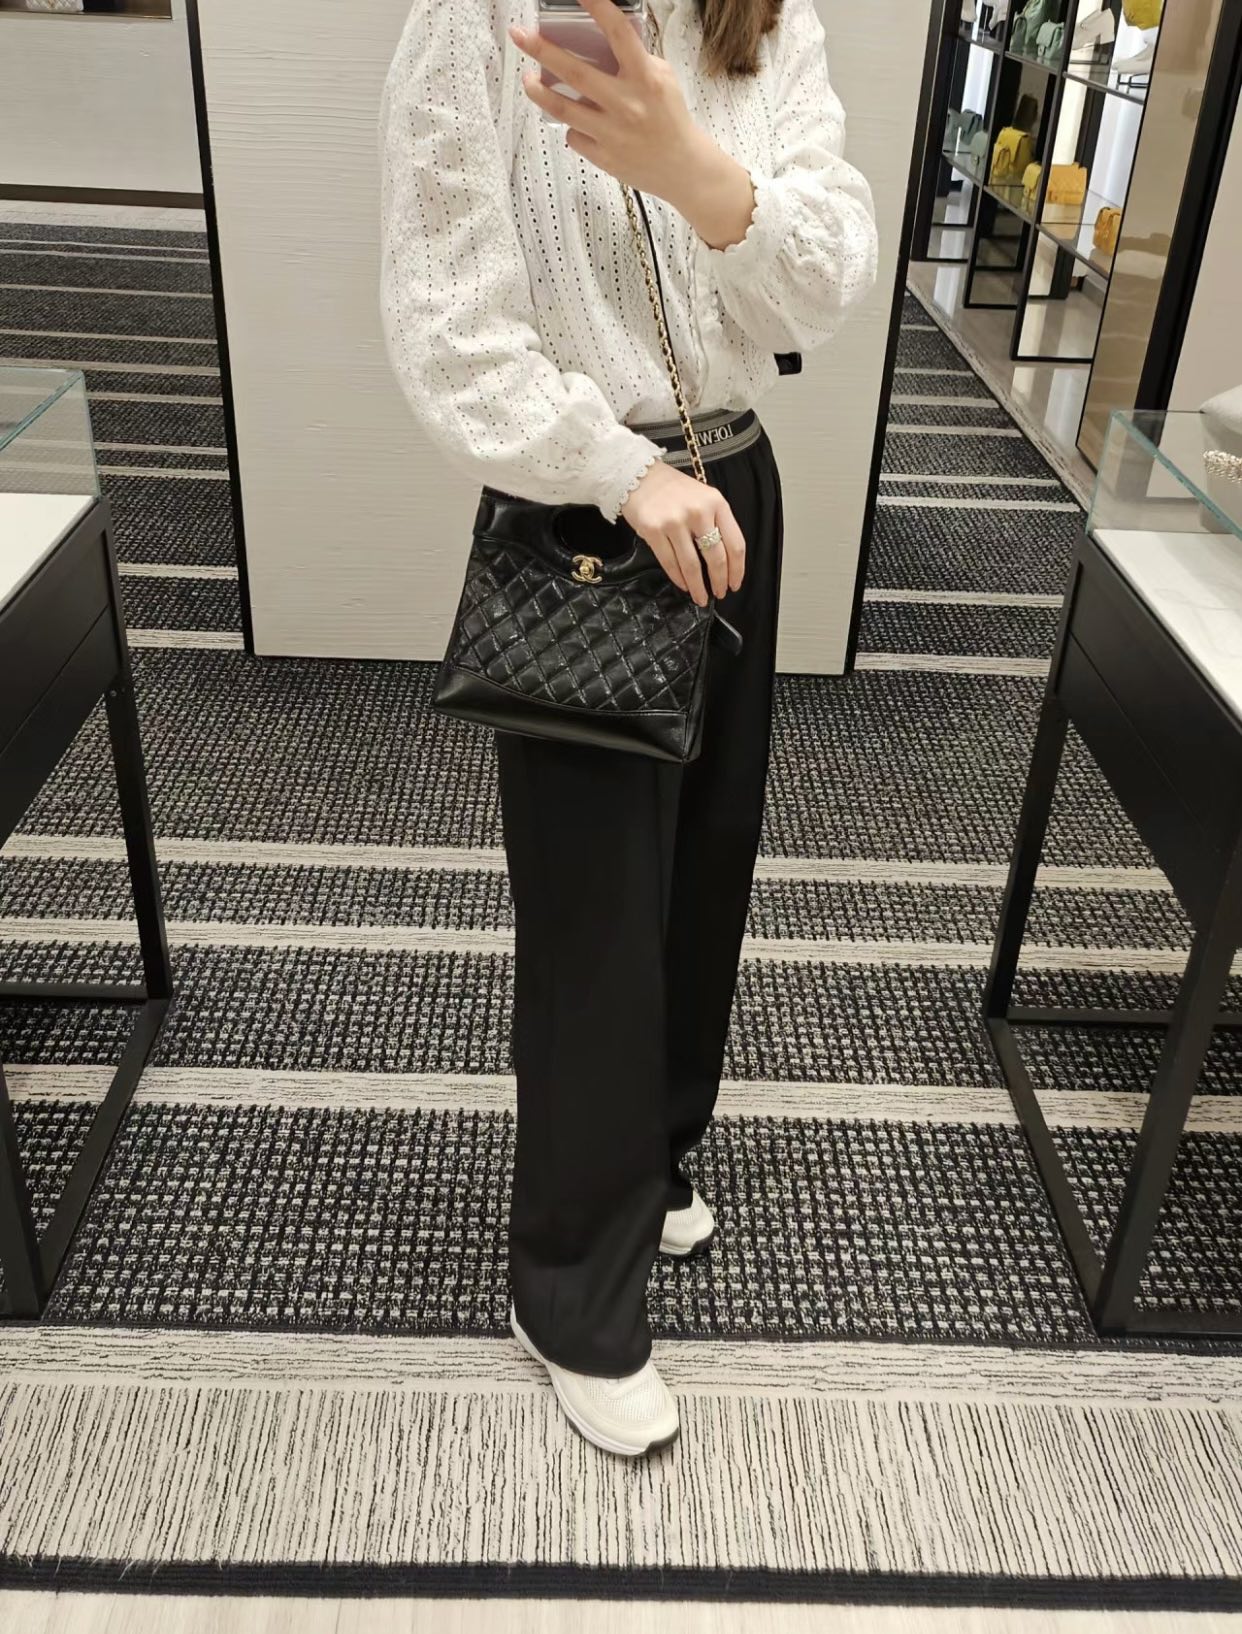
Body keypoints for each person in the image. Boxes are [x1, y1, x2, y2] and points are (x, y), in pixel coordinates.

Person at [378, 0, 877, 1458]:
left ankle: (649, 1159)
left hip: (733, 489)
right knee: (594, 911)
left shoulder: (761, 21)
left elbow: (820, 287)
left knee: (706, 868)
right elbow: (450, 322)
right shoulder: (479, 23)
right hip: (591, 510)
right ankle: (571, 1294)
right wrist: (614, 468)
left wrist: (691, 169)